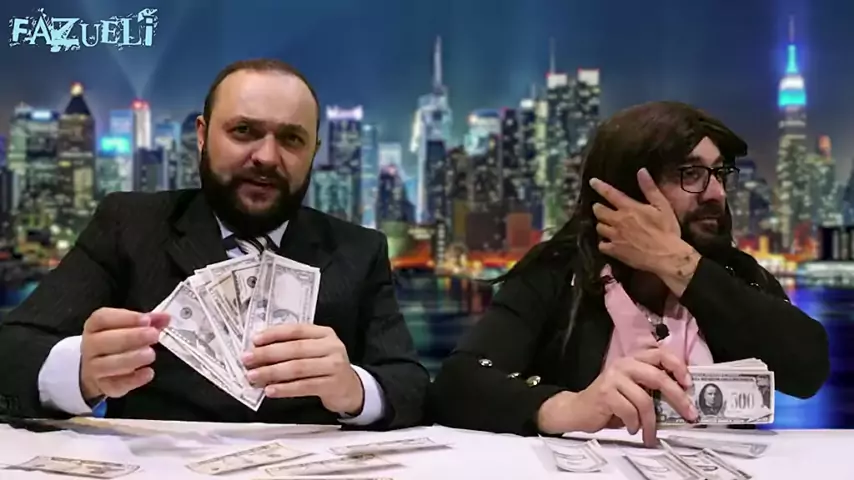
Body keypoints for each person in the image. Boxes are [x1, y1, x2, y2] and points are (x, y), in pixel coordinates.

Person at [0, 58, 429, 429]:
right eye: (243, 131)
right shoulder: (129, 225)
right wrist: (80, 369)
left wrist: (354, 389)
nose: (266, 157)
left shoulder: (360, 250)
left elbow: (412, 387)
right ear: (202, 136)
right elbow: (11, 353)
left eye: (291, 139)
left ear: (314, 151)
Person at [429, 101, 829, 445]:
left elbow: (808, 369)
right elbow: (456, 384)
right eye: (691, 174)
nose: (716, 194)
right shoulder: (559, 273)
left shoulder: (731, 272)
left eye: (720, 174)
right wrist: (566, 407)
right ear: (627, 190)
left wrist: (679, 265)